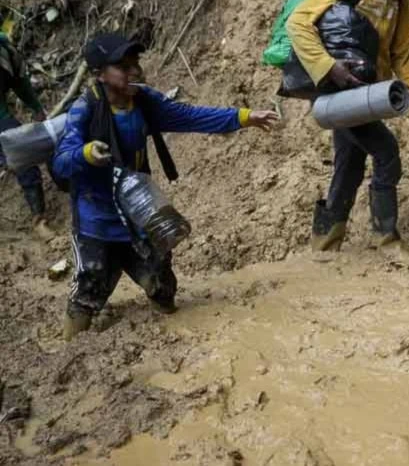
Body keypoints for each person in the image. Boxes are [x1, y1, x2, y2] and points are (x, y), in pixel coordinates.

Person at [53, 33, 279, 340]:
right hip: (97, 218)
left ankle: (171, 338)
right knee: (88, 292)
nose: (135, 70)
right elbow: (61, 162)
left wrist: (242, 117)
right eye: (123, 65)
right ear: (100, 74)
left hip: (138, 212)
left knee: (162, 287)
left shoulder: (145, 102)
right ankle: (68, 347)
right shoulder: (85, 110)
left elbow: (189, 117)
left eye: (135, 62)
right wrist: (86, 154)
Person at [287, 0, 409, 252]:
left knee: (350, 164)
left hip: (364, 93)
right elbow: (299, 21)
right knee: (386, 152)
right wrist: (329, 68)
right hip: (341, 92)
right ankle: (386, 239)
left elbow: (404, 48)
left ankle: (324, 245)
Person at [0, 33, 56, 240]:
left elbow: (19, 82)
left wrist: (36, 108)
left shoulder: (4, 49)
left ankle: (38, 219)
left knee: (23, 154)